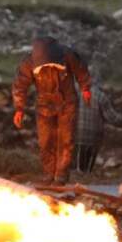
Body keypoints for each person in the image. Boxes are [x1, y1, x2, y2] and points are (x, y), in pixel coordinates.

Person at [11, 37, 93, 185]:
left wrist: (86, 88)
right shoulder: (28, 63)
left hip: (68, 102)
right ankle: (48, 174)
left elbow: (81, 71)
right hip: (44, 104)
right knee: (45, 141)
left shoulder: (68, 55)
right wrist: (19, 109)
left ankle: (61, 176)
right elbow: (20, 86)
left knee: (66, 140)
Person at [73, 82, 122, 175]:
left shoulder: (75, 94)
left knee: (77, 169)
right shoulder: (101, 96)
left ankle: (78, 177)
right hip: (94, 138)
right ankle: (86, 175)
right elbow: (113, 118)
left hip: (75, 136)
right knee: (87, 170)